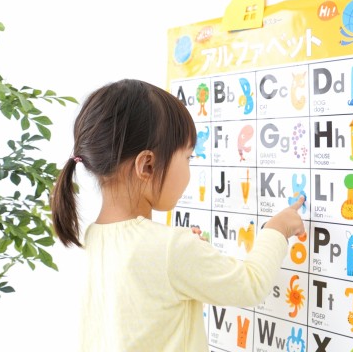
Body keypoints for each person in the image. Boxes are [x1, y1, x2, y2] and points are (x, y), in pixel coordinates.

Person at [51, 79, 306, 352]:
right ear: (147, 165)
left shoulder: (93, 237)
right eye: (188, 157)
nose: (189, 168)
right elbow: (250, 286)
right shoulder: (169, 248)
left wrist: (182, 254)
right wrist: (276, 229)